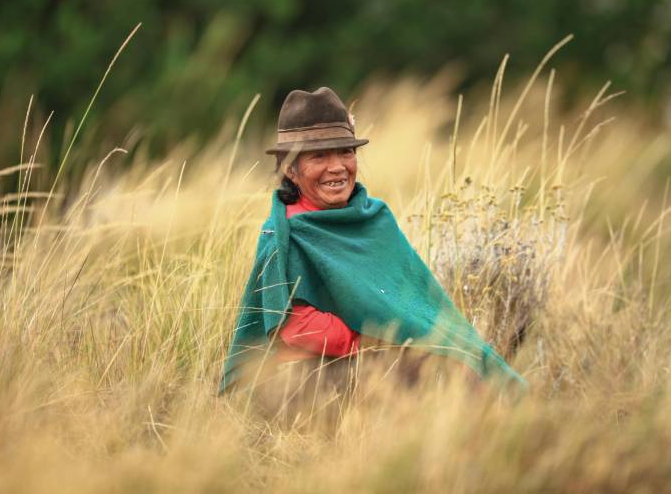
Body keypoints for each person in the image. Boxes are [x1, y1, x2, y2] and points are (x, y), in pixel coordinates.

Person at [219, 87, 526, 405]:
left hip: (379, 356)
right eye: (318, 156)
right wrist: (373, 340)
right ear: (290, 170)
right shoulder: (282, 234)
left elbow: (414, 301)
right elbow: (295, 325)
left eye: (345, 152)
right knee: (435, 377)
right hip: (306, 379)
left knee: (462, 365)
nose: (337, 166)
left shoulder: (374, 218)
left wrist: (436, 341)